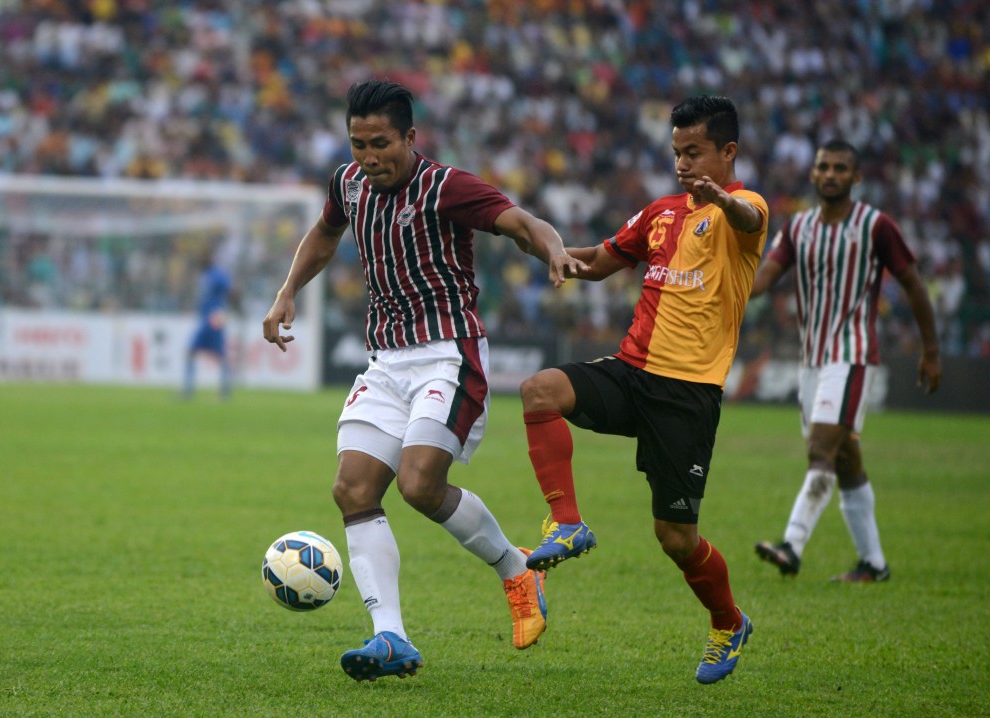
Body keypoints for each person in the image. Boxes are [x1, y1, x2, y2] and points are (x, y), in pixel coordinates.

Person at [262, 80, 586, 682]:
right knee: (353, 489)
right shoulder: (347, 184)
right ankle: (391, 638)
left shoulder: (447, 187)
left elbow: (521, 222)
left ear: (410, 137)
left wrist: (554, 250)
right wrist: (287, 292)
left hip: (448, 355)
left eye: (380, 143)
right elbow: (325, 233)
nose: (368, 157)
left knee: (418, 485)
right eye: (358, 144)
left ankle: (516, 570)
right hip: (386, 362)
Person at [518, 95, 768, 685]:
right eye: (677, 152)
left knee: (676, 539)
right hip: (632, 372)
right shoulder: (659, 212)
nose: (683, 163)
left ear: (728, 151)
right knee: (539, 391)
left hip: (688, 393)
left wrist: (721, 198)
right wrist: (547, 249)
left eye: (695, 152)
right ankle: (567, 523)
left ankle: (728, 622)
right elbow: (602, 261)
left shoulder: (745, 208)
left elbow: (748, 219)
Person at [752, 140, 941, 582]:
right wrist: (722, 284)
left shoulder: (875, 226)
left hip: (852, 354)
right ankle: (873, 564)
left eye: (840, 168)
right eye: (824, 167)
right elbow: (763, 279)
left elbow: (913, 285)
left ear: (856, 177)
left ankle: (792, 544)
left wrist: (931, 351)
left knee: (821, 449)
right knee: (844, 459)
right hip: (811, 360)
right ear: (813, 174)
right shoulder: (798, 228)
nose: (831, 174)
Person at [182, 248, 235, 399]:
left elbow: (231, 291)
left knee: (216, 353)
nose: (200, 260)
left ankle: (223, 390)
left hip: (214, 318)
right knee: (195, 351)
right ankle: (190, 390)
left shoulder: (218, 274)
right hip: (205, 318)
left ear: (210, 258)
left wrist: (230, 308)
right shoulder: (204, 275)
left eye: (203, 257)